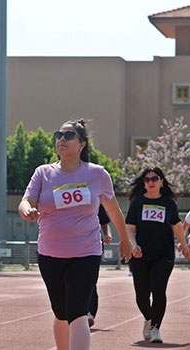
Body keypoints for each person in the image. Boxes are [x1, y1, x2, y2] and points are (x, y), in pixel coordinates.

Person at [18, 119, 135, 350]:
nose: (61, 139)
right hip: (50, 253)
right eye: (58, 134)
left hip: (86, 252)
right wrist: (27, 211)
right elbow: (26, 200)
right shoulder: (43, 173)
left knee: (78, 312)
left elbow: (113, 210)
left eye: (68, 135)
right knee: (61, 313)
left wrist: (125, 240)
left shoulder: (97, 174)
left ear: (82, 144)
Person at [125, 167, 189, 343]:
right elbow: (129, 228)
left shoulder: (169, 203)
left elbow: (176, 225)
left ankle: (155, 328)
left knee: (159, 289)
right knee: (142, 294)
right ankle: (148, 318)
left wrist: (184, 245)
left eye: (154, 178)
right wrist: (133, 245)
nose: (151, 182)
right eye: (147, 180)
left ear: (161, 181)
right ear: (144, 183)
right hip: (140, 255)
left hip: (163, 254)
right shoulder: (137, 203)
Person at [87, 205, 112, 327]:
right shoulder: (67, 199)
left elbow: (105, 224)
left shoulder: (95, 202)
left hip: (92, 245)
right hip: (71, 244)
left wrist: (108, 235)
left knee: (90, 280)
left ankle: (90, 313)